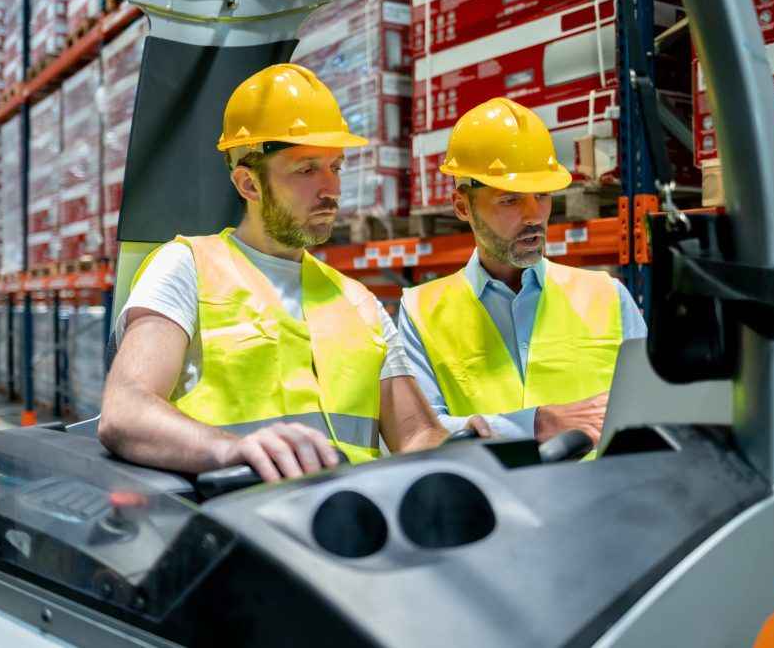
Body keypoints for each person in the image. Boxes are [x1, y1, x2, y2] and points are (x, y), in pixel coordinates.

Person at [99, 63, 488, 482]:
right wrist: (230, 450)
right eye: (306, 169)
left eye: (335, 167)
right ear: (249, 185)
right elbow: (126, 409)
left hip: (351, 528)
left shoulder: (358, 301)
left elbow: (415, 435)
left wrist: (462, 443)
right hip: (236, 522)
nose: (331, 189)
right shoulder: (186, 267)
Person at [399, 98, 647, 446]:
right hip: (489, 498)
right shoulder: (420, 310)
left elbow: (649, 411)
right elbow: (422, 433)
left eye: (542, 196)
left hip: (597, 494)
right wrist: (532, 425)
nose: (533, 216)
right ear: (462, 206)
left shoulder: (607, 296)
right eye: (510, 200)